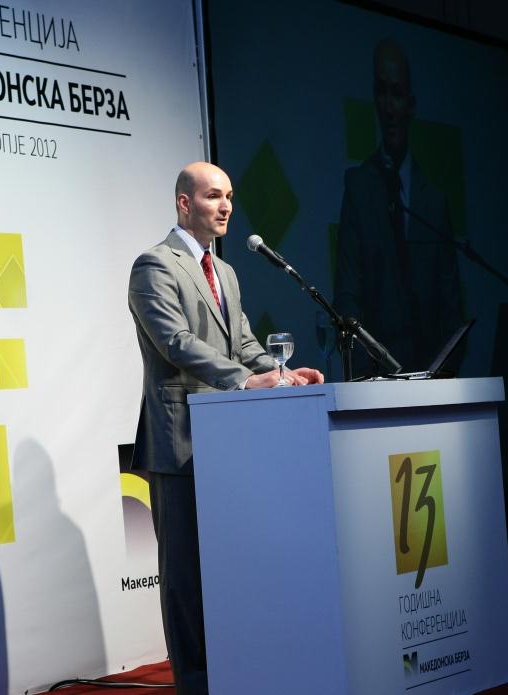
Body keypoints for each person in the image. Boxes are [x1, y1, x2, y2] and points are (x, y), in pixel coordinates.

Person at [128, 161, 324, 694]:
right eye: (214, 196)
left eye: (230, 196)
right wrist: (244, 381)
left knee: (229, 570)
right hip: (181, 442)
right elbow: (176, 343)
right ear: (184, 203)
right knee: (185, 578)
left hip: (230, 445)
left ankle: (236, 675)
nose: (227, 206)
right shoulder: (155, 265)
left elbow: (243, 343)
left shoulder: (227, 272)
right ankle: (195, 684)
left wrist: (282, 373)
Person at [333, 38, 464, 373]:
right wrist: (363, 374)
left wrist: (445, 374)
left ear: (411, 104)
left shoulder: (434, 200)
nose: (389, 107)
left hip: (434, 377)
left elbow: (451, 305)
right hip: (374, 377)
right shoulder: (359, 187)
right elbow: (347, 292)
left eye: (397, 93)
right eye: (382, 92)